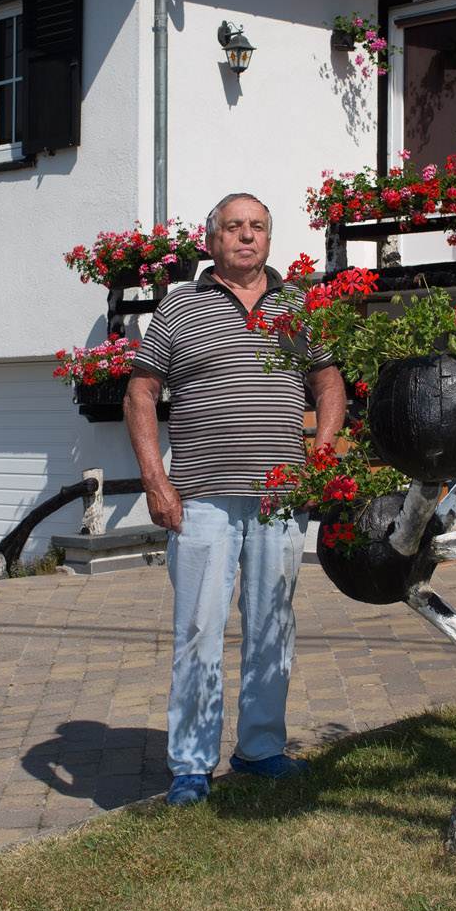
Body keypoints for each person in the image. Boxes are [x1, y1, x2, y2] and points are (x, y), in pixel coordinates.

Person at [125, 192, 347, 806]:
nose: (246, 237)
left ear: (269, 240)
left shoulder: (298, 308)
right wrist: (155, 480)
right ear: (211, 240)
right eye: (233, 227)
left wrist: (320, 459)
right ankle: (191, 766)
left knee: (272, 626)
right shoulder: (178, 309)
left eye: (257, 228)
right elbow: (140, 396)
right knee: (198, 626)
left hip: (281, 499)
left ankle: (261, 750)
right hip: (200, 500)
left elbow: (330, 384)